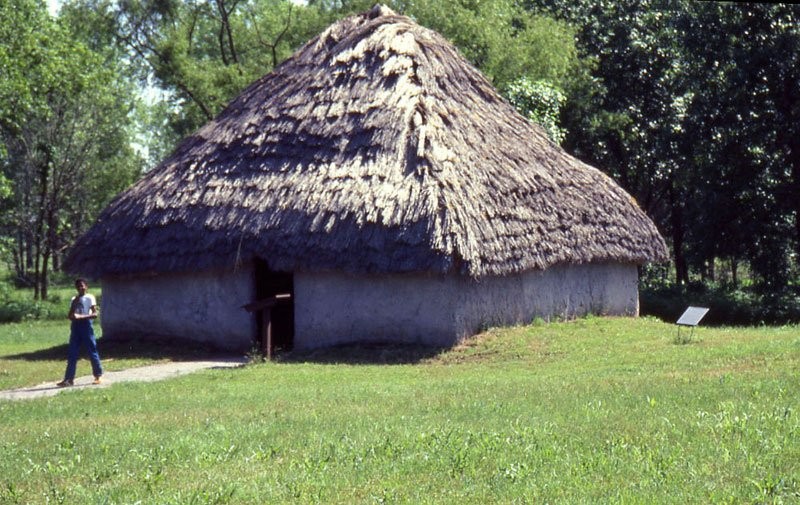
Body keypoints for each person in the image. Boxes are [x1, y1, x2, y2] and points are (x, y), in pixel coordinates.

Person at [56, 278, 103, 387]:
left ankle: (98, 375)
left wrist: (81, 316)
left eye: (82, 286)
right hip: (76, 327)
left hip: (86, 325)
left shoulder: (90, 297)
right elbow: (70, 316)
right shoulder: (74, 299)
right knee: (72, 353)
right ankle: (69, 379)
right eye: (78, 286)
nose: (80, 288)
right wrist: (74, 304)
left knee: (92, 350)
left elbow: (95, 314)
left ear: (86, 286)